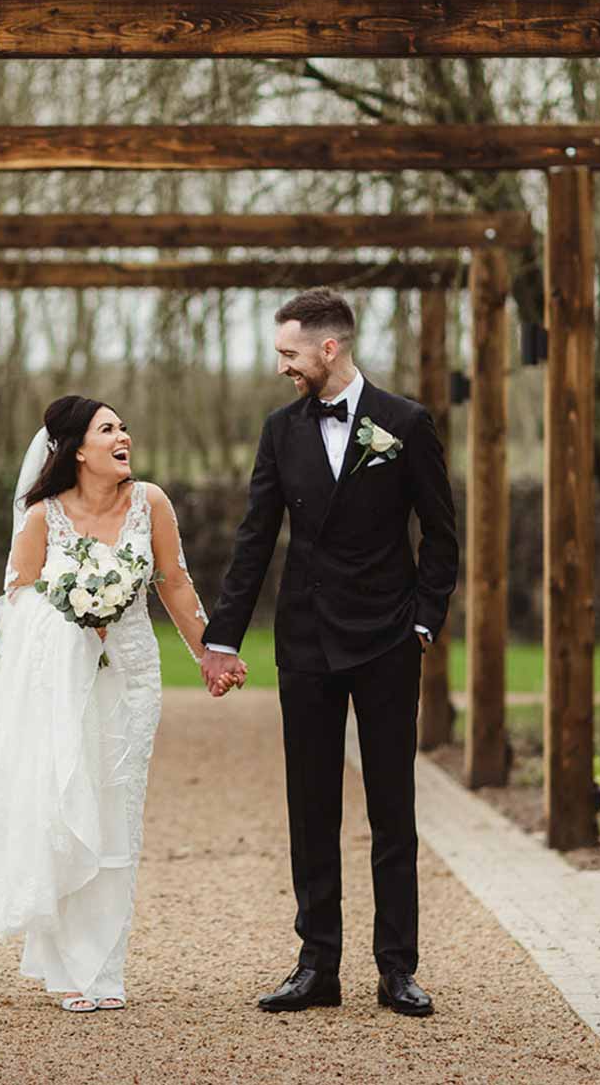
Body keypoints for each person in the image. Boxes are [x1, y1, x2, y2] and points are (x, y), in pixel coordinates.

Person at [200, 287, 459, 1017]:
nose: (282, 366)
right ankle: (318, 966)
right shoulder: (280, 430)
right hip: (307, 638)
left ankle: (397, 969)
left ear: (329, 348)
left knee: (393, 809)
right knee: (311, 807)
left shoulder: (406, 423)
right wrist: (224, 636)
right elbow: (255, 538)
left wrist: (424, 621)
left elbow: (441, 534)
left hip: (386, 640)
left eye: (289, 353)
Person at [0, 394, 238, 1013]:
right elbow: (17, 601)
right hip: (62, 680)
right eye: (108, 428)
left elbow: (175, 581)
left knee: (119, 807)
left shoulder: (152, 502)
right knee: (66, 802)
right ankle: (63, 965)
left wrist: (209, 655)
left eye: (124, 427)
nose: (124, 437)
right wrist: (75, 610)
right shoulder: (42, 517)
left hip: (132, 674)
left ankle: (105, 966)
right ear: (76, 449)